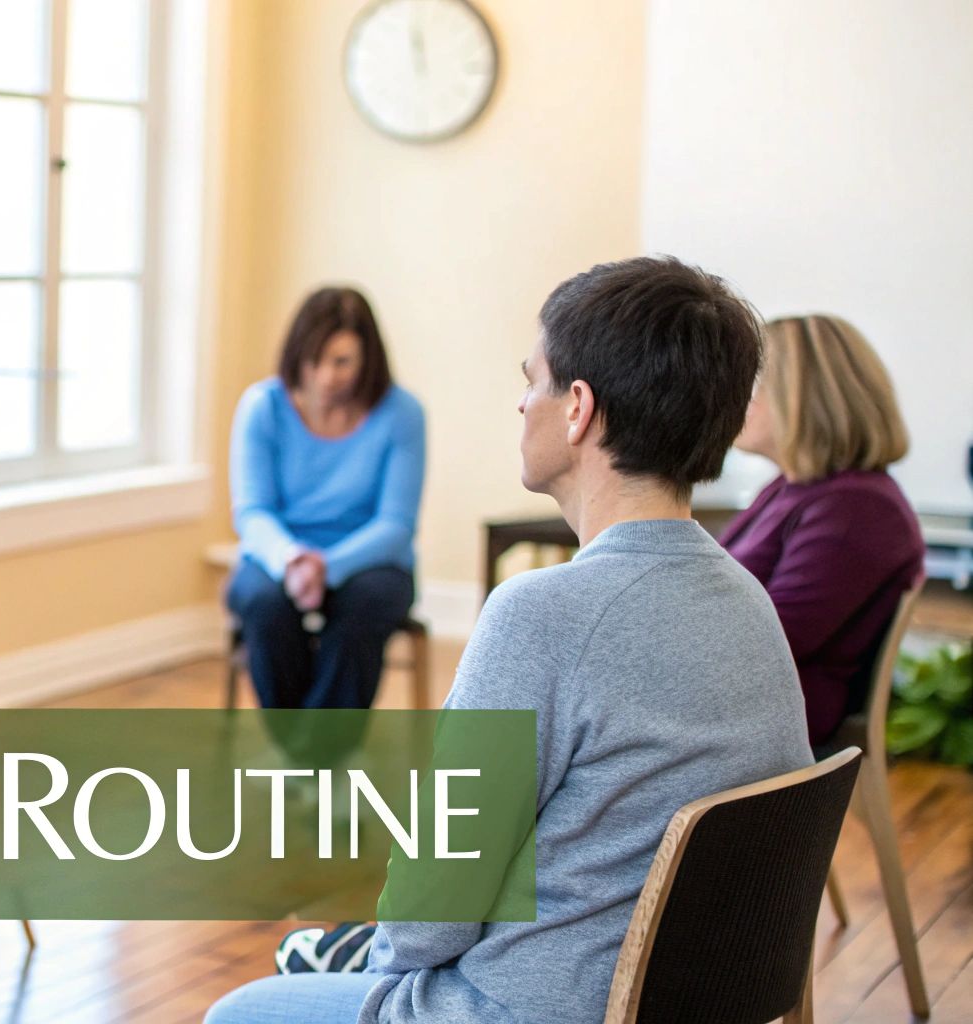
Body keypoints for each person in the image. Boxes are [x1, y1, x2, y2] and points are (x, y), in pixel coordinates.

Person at [206, 257, 813, 1024]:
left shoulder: (540, 615)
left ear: (578, 410)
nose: (522, 401)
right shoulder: (748, 603)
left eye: (534, 381)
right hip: (700, 1002)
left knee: (241, 1011)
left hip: (528, 1007)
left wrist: (377, 970)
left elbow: (429, 917)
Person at [720, 314, 925, 744]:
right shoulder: (793, 489)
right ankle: (535, 808)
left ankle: (535, 809)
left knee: (549, 704)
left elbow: (768, 645)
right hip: (731, 706)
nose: (740, 397)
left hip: (764, 726)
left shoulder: (857, 507)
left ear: (804, 397)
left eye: (754, 382)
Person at [226, 287, 425, 715]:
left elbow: (395, 525)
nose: (325, 377)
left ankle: (315, 757)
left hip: (371, 560)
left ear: (368, 358)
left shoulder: (402, 413)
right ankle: (306, 753)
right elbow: (253, 512)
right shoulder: (262, 407)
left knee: (364, 606)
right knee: (265, 606)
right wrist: (292, 559)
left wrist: (326, 567)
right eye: (314, 360)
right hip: (279, 553)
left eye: (342, 361)